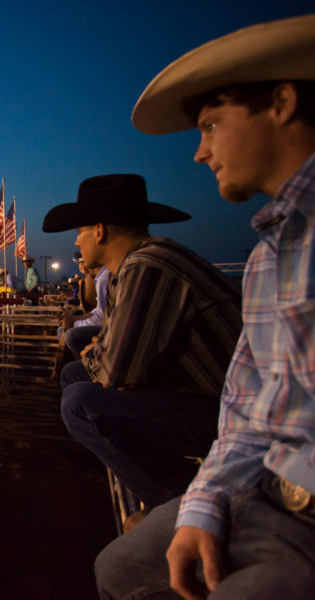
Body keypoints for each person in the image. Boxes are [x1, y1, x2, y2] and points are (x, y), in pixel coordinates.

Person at [96, 14, 315, 600]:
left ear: (283, 103)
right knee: (116, 570)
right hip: (265, 483)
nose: (199, 152)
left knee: (83, 397)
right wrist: (203, 504)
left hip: (292, 510)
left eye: (212, 125)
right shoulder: (272, 252)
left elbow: (118, 369)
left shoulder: (155, 264)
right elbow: (246, 405)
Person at [43, 173, 242, 509]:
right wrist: (101, 353)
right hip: (199, 394)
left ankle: (181, 503)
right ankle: (143, 476)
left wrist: (100, 355)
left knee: (80, 403)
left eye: (80, 231)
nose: (77, 242)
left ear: (101, 230)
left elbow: (117, 370)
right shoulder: (138, 264)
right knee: (73, 375)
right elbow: (109, 347)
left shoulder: (147, 265)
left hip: (233, 415)